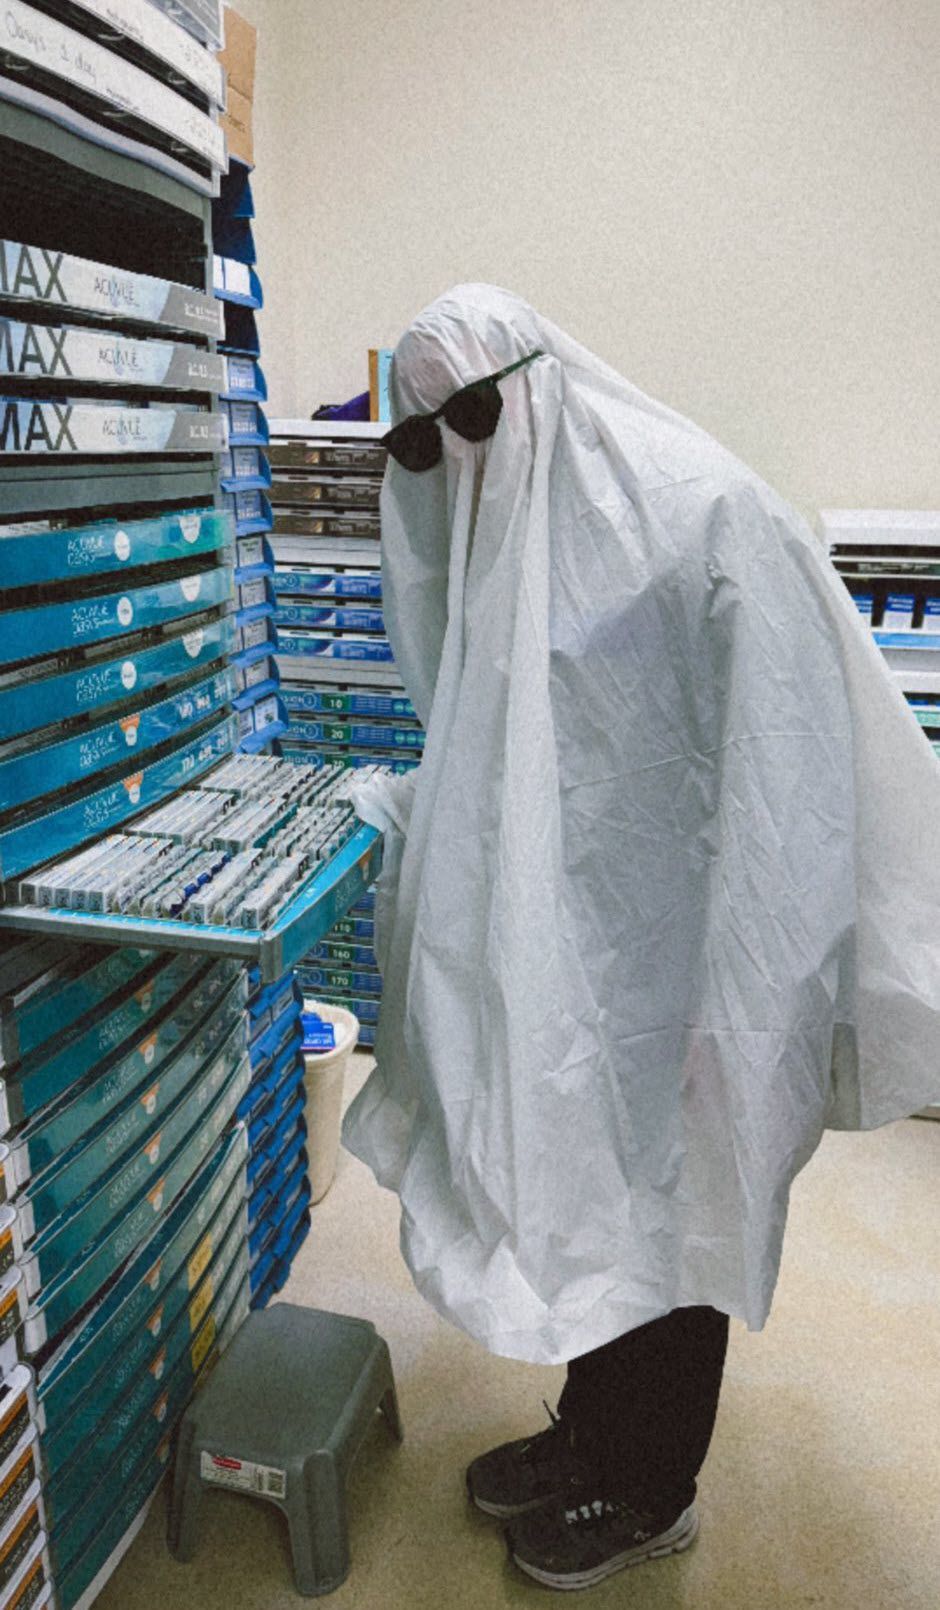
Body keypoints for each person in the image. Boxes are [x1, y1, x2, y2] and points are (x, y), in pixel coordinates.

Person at [342, 283, 940, 1589]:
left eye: (468, 426)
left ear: (530, 391)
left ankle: (652, 1486)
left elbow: (787, 793)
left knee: (681, 1218)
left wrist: (747, 1003)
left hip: (720, 954)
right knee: (590, 1204)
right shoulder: (525, 515)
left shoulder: (699, 519)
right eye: (422, 441)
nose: (452, 467)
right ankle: (590, 1436)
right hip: (603, 951)